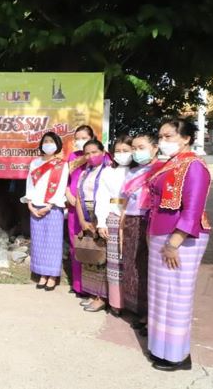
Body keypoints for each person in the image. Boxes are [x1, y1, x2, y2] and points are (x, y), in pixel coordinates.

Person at [147, 118, 211, 372]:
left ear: (185, 138)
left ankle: (177, 355)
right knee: (161, 295)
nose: (163, 141)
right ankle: (160, 348)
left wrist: (173, 244)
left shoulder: (194, 165)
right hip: (161, 234)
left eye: (169, 136)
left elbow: (193, 209)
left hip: (181, 238)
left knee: (177, 297)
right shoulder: (169, 164)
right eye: (161, 136)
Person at [119, 133, 161, 335]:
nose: (136, 152)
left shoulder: (161, 170)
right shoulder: (132, 172)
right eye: (134, 148)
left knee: (146, 267)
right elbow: (121, 199)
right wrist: (118, 216)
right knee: (131, 263)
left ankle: (149, 315)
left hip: (150, 221)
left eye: (141, 147)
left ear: (154, 148)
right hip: (130, 220)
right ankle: (136, 308)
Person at [22, 132, 69, 291]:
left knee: (53, 242)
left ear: (57, 145)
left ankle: (52, 275)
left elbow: (61, 186)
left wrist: (49, 205)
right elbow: (30, 184)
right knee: (39, 241)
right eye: (45, 141)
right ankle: (42, 273)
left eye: (51, 141)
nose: (48, 144)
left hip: (53, 207)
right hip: (35, 206)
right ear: (41, 145)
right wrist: (30, 204)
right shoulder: (35, 163)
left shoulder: (62, 164)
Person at [95, 135, 133, 315]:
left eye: (126, 151)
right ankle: (116, 302)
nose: (121, 154)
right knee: (114, 262)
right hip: (112, 217)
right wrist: (101, 221)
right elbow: (101, 196)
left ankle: (134, 304)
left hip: (134, 219)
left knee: (132, 261)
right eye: (118, 151)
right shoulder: (108, 171)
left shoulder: (140, 171)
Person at [75, 139, 110, 312]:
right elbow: (79, 198)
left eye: (94, 152)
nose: (90, 156)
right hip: (87, 216)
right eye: (87, 153)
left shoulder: (110, 171)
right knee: (90, 256)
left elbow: (109, 198)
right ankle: (92, 292)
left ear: (103, 152)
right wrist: (82, 220)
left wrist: (99, 220)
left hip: (102, 215)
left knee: (102, 256)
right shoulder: (84, 172)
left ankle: (102, 297)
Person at [66, 125, 95, 295]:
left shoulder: (101, 155)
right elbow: (65, 177)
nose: (79, 141)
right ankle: (78, 285)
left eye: (84, 137)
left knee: (92, 244)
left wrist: (89, 154)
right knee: (75, 242)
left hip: (91, 206)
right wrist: (67, 192)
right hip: (72, 205)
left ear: (92, 137)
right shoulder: (73, 156)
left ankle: (93, 286)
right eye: (77, 138)